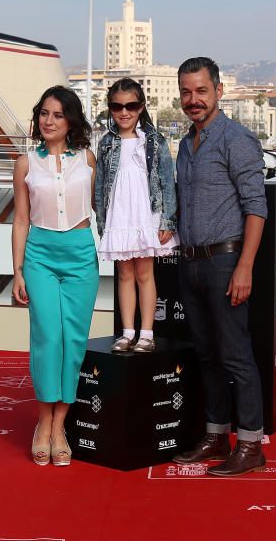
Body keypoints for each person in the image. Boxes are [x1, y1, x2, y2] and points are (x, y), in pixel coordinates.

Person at [170, 57, 268, 477]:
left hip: (226, 262)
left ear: (219, 90)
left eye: (201, 91)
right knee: (207, 356)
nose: (193, 100)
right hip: (190, 263)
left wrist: (244, 267)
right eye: (187, 92)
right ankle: (215, 434)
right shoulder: (184, 144)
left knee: (236, 356)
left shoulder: (237, 139)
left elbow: (256, 208)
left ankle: (250, 446)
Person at [11, 85, 99, 467]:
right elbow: (20, 219)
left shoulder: (88, 160)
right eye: (44, 113)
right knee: (48, 336)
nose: (49, 121)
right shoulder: (25, 163)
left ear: (71, 121)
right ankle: (43, 422)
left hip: (81, 253)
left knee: (73, 341)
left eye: (58, 115)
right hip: (40, 255)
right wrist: (17, 271)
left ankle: (60, 425)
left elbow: (103, 208)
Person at [94, 78, 179, 353]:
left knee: (145, 273)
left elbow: (167, 181)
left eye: (131, 105)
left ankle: (146, 333)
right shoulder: (106, 143)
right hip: (119, 215)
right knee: (124, 273)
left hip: (145, 213)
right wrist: (103, 223)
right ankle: (126, 331)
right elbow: (100, 187)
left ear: (141, 107)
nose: (124, 112)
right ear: (110, 109)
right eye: (117, 106)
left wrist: (167, 220)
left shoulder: (153, 141)